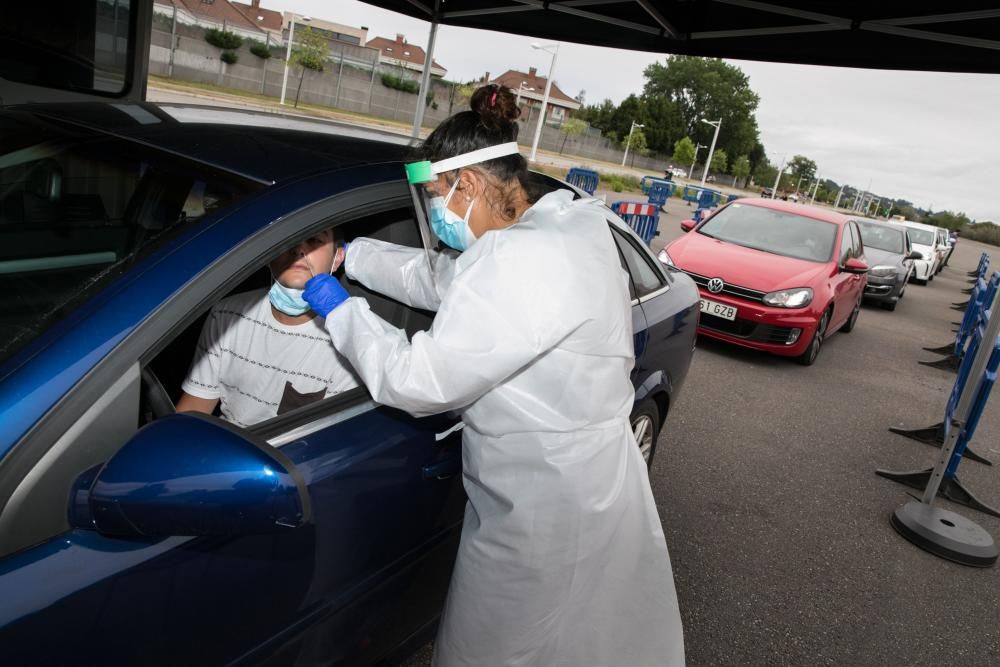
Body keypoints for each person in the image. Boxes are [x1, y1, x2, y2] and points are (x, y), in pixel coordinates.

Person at [302, 84, 684, 666]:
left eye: (435, 197)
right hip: (587, 480)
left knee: (493, 649)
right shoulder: (566, 224)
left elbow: (415, 380)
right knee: (584, 640)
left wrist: (339, 308)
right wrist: (351, 256)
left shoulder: (518, 261)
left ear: (470, 184)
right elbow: (445, 281)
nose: (435, 212)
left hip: (541, 504)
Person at [175, 230, 358, 427]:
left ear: (337, 258)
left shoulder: (349, 337)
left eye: (314, 240)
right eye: (289, 237)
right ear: (266, 252)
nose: (299, 249)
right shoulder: (226, 315)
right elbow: (193, 409)